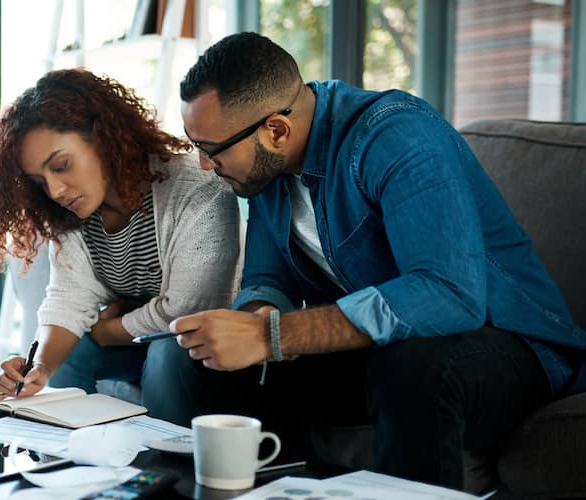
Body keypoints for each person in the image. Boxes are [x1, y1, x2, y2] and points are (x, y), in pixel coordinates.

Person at [171, 32, 586, 489]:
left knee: (413, 369)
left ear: (276, 130)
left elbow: (449, 295)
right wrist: (255, 318)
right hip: (384, 351)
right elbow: (267, 277)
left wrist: (274, 336)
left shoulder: (395, 136)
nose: (205, 165)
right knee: (211, 362)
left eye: (211, 149)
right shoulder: (266, 171)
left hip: (508, 346)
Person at [0, 68, 242, 425]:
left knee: (166, 351)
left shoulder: (195, 187)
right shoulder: (72, 213)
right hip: (137, 340)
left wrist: (106, 330)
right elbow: (68, 300)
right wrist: (38, 367)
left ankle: (164, 471)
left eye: (62, 165)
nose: (55, 190)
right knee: (68, 355)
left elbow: (186, 311)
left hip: (202, 346)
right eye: (40, 180)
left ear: (103, 139)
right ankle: (66, 462)